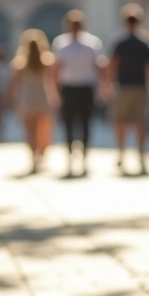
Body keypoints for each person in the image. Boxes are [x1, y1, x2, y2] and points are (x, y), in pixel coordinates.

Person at [107, 4, 149, 175]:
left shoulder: (120, 42)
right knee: (140, 122)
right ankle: (141, 154)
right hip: (140, 87)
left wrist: (107, 84)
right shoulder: (145, 42)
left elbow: (112, 65)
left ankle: (121, 153)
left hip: (123, 87)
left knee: (120, 122)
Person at [50, 9, 105, 177]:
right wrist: (55, 91)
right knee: (68, 124)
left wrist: (103, 85)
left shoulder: (92, 43)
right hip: (68, 88)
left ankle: (84, 159)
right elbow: (56, 70)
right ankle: (69, 158)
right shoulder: (61, 43)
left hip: (86, 87)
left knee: (86, 123)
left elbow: (98, 66)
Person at [11, 29, 58, 174]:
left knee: (30, 130)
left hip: (28, 98)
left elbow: (15, 84)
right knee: (44, 129)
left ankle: (33, 157)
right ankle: (41, 153)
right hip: (42, 97)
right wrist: (55, 96)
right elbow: (52, 82)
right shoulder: (47, 60)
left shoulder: (20, 63)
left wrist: (13, 99)